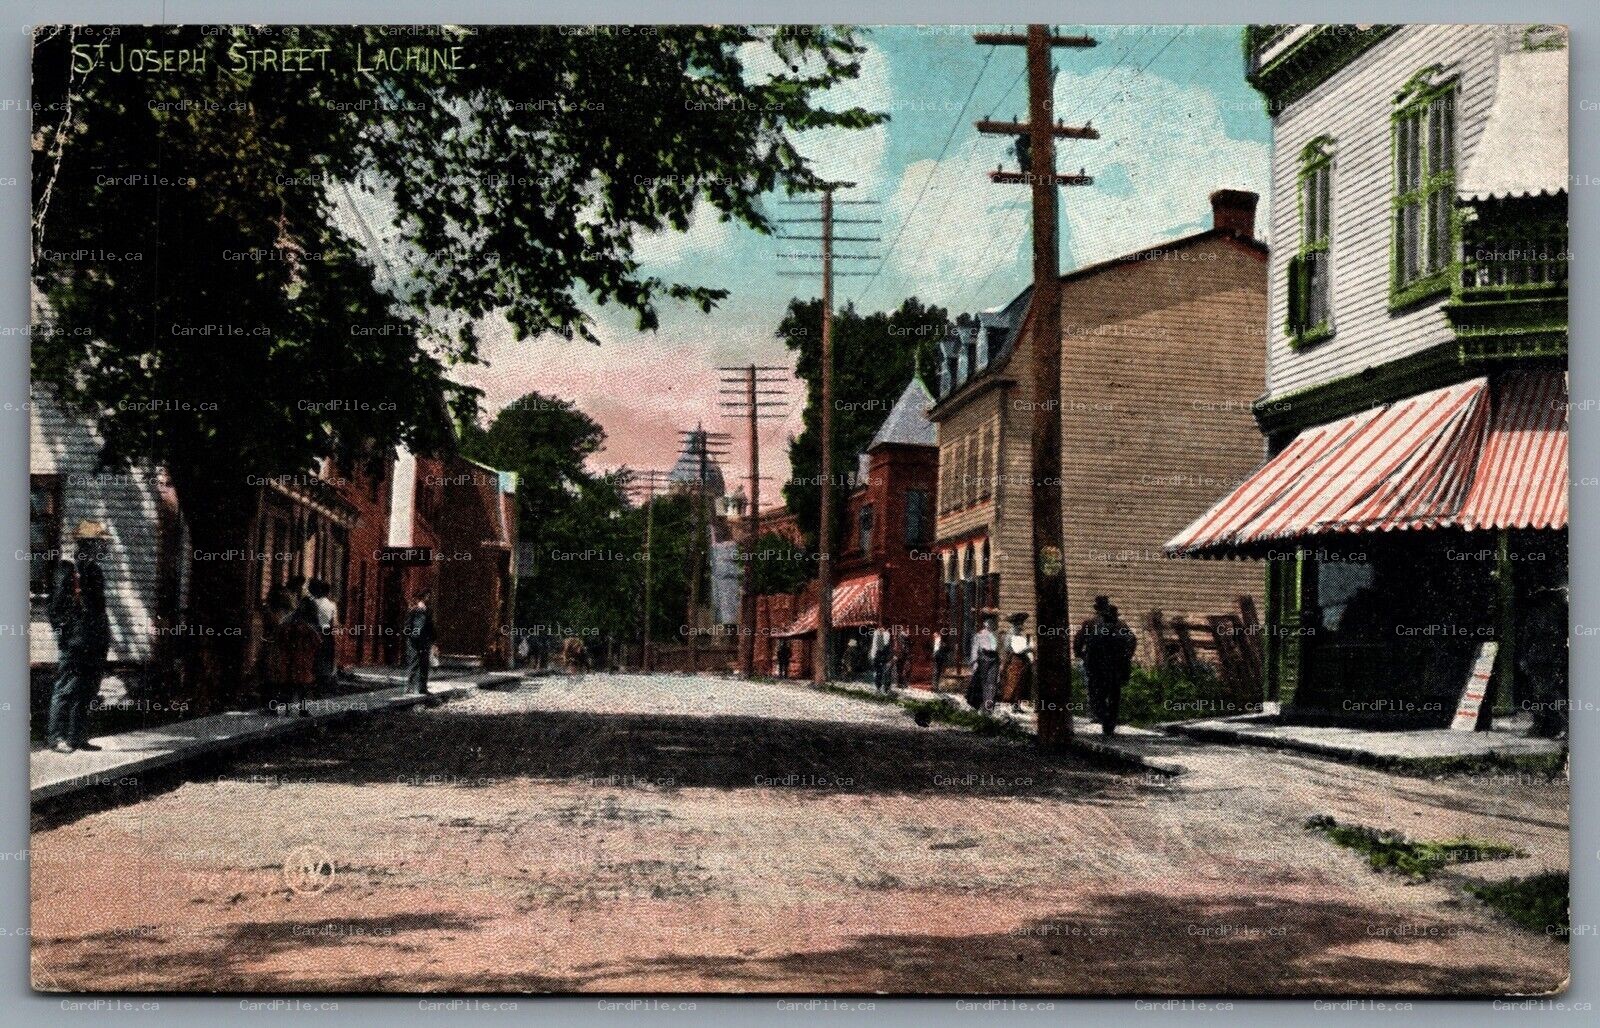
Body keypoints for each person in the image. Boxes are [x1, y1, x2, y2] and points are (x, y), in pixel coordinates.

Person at [46, 521, 114, 753]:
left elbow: (99, 608)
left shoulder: (95, 570)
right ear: (88, 544)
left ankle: (77, 737)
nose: (103, 547)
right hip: (75, 641)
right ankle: (56, 738)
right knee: (66, 688)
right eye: (100, 542)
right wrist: (65, 634)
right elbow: (54, 609)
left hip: (96, 640)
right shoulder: (66, 569)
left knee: (88, 689)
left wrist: (104, 635)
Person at [1074, 596, 1138, 735]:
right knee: (1114, 693)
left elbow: (1078, 641)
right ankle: (1110, 720)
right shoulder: (1121, 624)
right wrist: (1127, 657)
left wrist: (1080, 654)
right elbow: (1132, 640)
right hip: (1116, 666)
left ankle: (1102, 716)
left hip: (1096, 665)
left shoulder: (1090, 623)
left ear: (1096, 609)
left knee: (1096, 691)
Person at [1518, 584, 1569, 739]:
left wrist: (1524, 658)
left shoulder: (1537, 615)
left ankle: (1555, 725)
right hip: (1545, 658)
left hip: (1541, 658)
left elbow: (1527, 638)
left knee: (1547, 693)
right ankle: (1550, 725)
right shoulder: (1556, 614)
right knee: (1547, 693)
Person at [279, 595, 323, 716]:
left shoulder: (291, 619)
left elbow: (282, 634)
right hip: (305, 656)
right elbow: (317, 641)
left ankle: (287, 708)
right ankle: (303, 709)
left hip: (291, 655)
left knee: (290, 683)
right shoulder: (311, 623)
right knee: (303, 684)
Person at [403, 588, 437, 696]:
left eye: (429, 596)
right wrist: (413, 636)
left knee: (424, 664)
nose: (429, 598)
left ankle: (422, 688)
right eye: (427, 596)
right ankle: (410, 688)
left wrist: (433, 640)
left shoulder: (427, 610)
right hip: (414, 641)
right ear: (422, 597)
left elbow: (430, 626)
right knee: (414, 663)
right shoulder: (414, 609)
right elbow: (408, 625)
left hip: (424, 641)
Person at [998, 612, 1034, 713]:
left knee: (1021, 683)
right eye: (1019, 623)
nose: (1021, 625)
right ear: (1014, 623)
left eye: (1021, 623)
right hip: (1014, 660)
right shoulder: (1011, 634)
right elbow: (1015, 650)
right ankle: (1012, 704)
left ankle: (1017, 705)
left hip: (1022, 661)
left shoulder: (1021, 635)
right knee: (1013, 682)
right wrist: (1028, 648)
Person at [309, 578, 339, 695]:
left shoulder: (313, 603)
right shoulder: (332, 605)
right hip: (326, 633)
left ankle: (312, 683)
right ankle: (321, 687)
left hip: (313, 630)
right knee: (325, 659)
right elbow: (334, 624)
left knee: (313, 657)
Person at [967, 614, 1000, 712]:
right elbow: (974, 650)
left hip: (994, 659)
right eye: (988, 622)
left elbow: (999, 650)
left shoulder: (996, 635)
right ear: (984, 623)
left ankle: (988, 707)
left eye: (992, 622)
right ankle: (980, 706)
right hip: (983, 659)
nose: (990, 624)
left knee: (992, 684)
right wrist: (974, 663)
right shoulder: (979, 635)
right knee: (982, 684)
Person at [869, 623, 893, 693]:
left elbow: (886, 645)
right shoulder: (877, 634)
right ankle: (879, 688)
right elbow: (877, 646)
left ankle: (885, 688)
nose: (882, 629)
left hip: (883, 655)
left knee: (885, 672)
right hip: (878, 655)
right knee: (879, 672)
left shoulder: (886, 634)